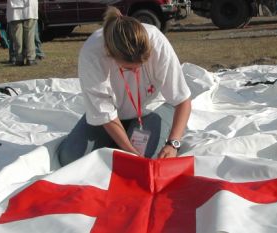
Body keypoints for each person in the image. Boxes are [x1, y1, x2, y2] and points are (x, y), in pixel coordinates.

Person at [57, 6, 192, 166]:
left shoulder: (157, 42)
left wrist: (173, 143)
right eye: (129, 68)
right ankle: (123, 136)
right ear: (110, 53)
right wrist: (130, 151)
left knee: (146, 163)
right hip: (111, 117)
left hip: (151, 109)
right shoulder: (92, 54)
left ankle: (131, 134)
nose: (137, 71)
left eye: (142, 64)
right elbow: (105, 114)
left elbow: (183, 100)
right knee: (70, 157)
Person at [7, 0, 38, 66]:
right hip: (29, 7)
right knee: (29, 34)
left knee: (17, 35)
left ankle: (19, 58)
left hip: (15, 7)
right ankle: (30, 58)